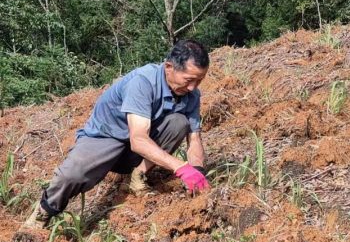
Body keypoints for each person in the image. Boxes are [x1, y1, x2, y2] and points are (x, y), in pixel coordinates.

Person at [22, 39, 211, 230]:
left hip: (134, 151)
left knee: (180, 123)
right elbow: (138, 140)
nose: (193, 87)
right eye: (188, 80)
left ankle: (136, 179)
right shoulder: (143, 82)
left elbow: (194, 139)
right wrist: (180, 167)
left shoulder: (191, 95)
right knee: (72, 174)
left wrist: (198, 171)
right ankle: (43, 213)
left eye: (200, 80)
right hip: (105, 138)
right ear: (169, 67)